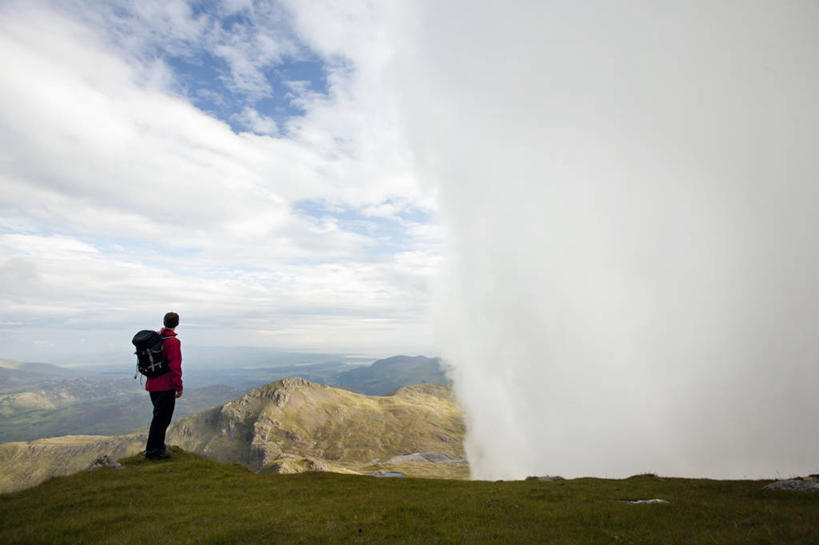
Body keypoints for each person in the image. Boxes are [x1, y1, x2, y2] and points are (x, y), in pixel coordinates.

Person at [144, 311, 183, 460]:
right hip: (165, 387)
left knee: (159, 417)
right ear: (177, 323)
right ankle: (153, 452)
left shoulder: (157, 337)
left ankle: (158, 448)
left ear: (164, 322)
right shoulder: (172, 342)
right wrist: (179, 386)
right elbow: (175, 366)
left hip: (152, 385)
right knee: (162, 420)